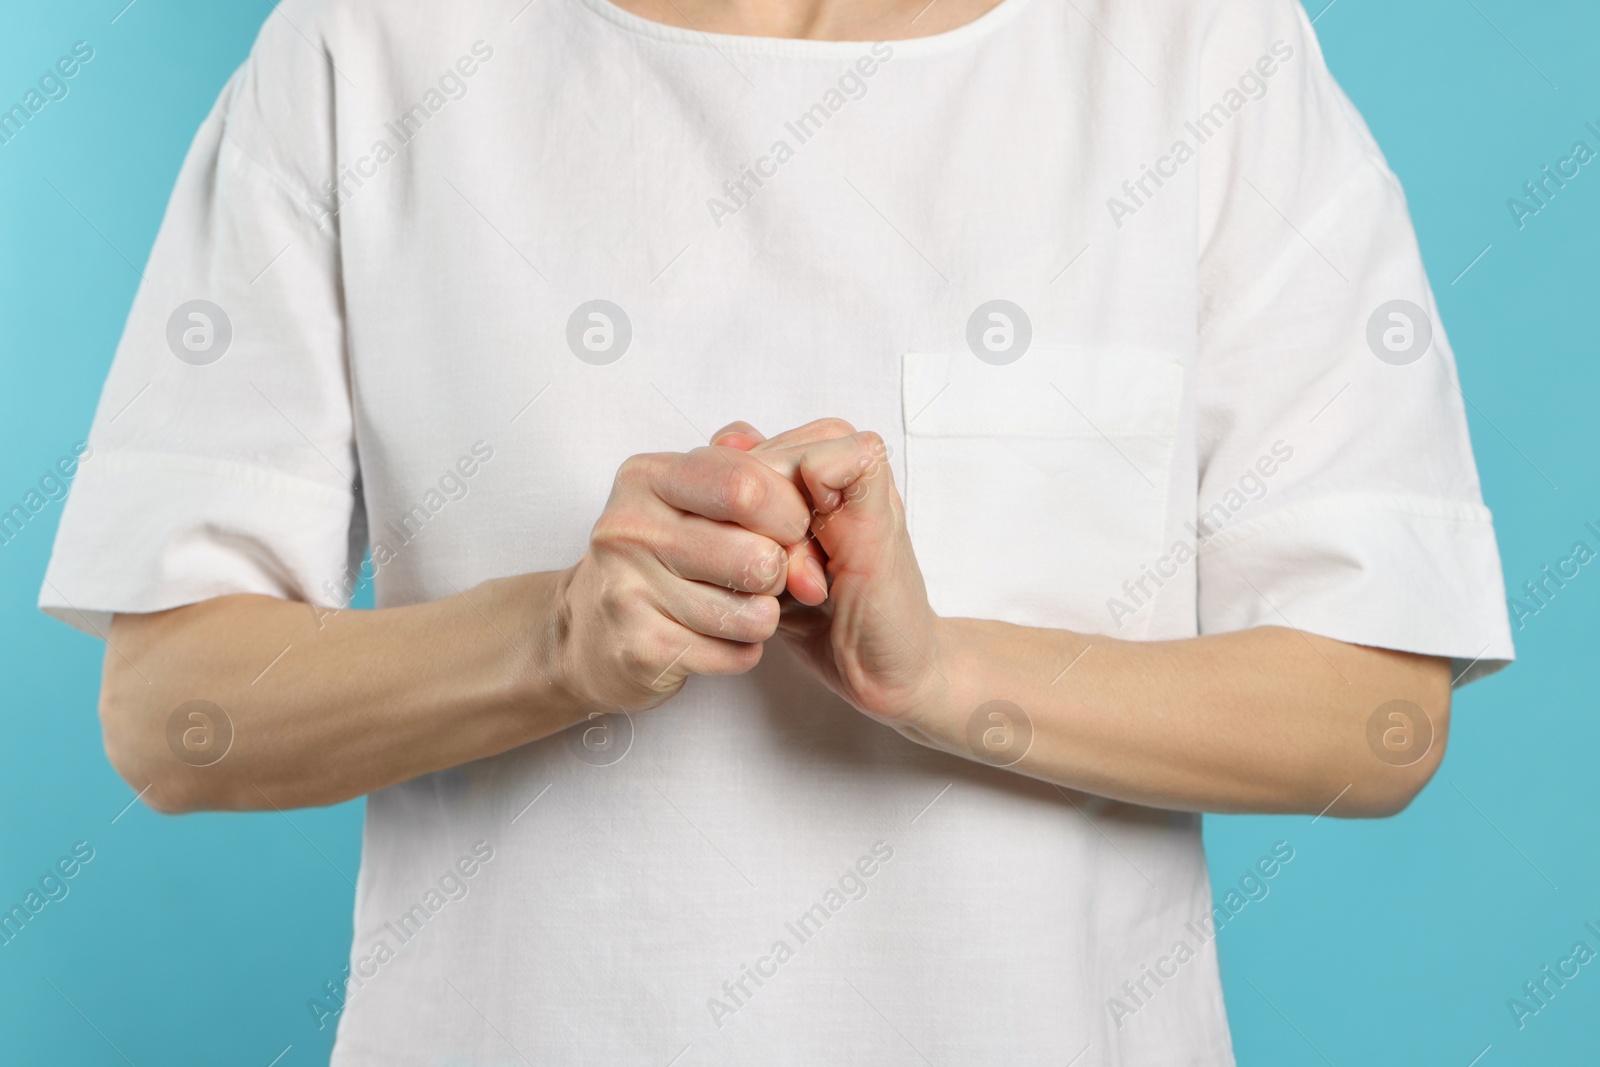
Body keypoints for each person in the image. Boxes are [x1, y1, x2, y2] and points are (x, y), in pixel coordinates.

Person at [42, 0, 1514, 1062]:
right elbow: (169, 714)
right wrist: (556, 643)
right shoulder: (369, 49)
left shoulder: (1201, 53)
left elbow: (1375, 715)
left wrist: (941, 678)